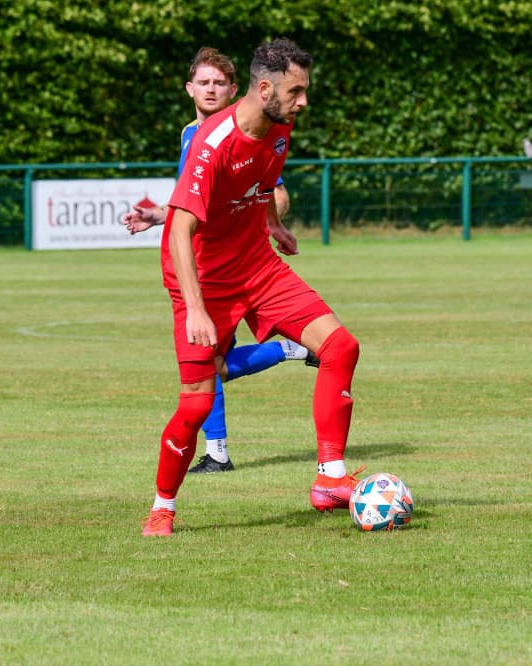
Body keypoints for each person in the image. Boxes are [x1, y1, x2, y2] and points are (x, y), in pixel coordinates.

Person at [143, 38, 363, 536]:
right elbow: (179, 230)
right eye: (295, 91)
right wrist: (196, 309)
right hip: (204, 282)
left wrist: (273, 224)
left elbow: (263, 182)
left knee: (341, 347)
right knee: (196, 404)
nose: (303, 101)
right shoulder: (211, 143)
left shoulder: (279, 125)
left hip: (258, 267)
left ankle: (330, 478)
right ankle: (162, 506)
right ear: (264, 89)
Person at [124, 47, 316, 476]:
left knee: (210, 366)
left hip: (237, 268)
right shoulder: (191, 134)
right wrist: (158, 216)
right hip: (203, 265)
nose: (211, 90)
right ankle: (219, 450)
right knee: (213, 365)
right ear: (189, 88)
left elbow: (273, 191)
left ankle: (219, 449)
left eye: (219, 83)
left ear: (235, 89)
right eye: (203, 82)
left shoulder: (251, 130)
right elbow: (193, 206)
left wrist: (269, 221)